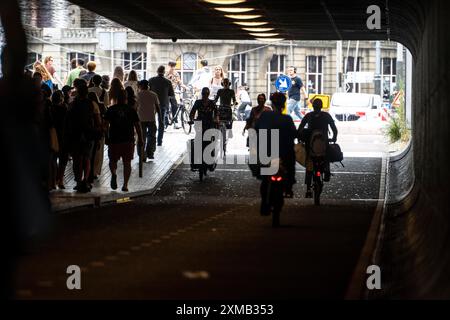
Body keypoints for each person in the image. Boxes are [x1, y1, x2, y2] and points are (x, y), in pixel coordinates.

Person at [255, 92, 297, 205]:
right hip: (283, 154)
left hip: (267, 153)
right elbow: (294, 133)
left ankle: (264, 202)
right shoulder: (287, 119)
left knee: (264, 177)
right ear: (283, 105)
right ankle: (289, 186)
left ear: (272, 104)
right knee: (291, 161)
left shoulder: (264, 115)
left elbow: (256, 128)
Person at [104, 88, 143, 192]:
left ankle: (113, 173)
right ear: (126, 98)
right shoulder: (131, 110)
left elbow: (105, 125)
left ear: (117, 97)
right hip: (128, 139)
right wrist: (140, 139)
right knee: (127, 162)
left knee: (112, 160)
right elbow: (137, 126)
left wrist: (106, 137)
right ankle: (125, 185)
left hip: (114, 139)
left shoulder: (111, 109)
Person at [297, 98, 338, 198]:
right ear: (321, 106)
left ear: (313, 106)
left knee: (309, 163)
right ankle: (327, 171)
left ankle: (308, 189)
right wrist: (334, 138)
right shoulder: (326, 115)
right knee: (326, 155)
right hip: (324, 141)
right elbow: (334, 129)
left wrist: (299, 138)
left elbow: (300, 128)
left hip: (310, 143)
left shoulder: (309, 115)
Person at [65, 79, 96, 193]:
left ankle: (78, 181)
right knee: (86, 158)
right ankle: (86, 180)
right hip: (87, 134)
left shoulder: (72, 104)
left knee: (77, 159)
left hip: (75, 134)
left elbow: (68, 120)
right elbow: (94, 119)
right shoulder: (90, 104)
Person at [149, 65, 175, 146]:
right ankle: (159, 141)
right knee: (161, 123)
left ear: (157, 71)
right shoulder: (168, 82)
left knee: (151, 122)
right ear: (164, 72)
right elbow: (171, 94)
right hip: (163, 104)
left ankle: (151, 139)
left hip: (152, 104)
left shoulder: (151, 80)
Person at [136, 80, 161, 161]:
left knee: (141, 137)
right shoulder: (153, 94)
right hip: (151, 118)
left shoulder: (137, 95)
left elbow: (135, 107)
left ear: (140, 86)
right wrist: (160, 118)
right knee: (152, 137)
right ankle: (150, 153)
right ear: (148, 86)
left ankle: (142, 155)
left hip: (140, 118)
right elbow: (158, 107)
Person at [50, 90, 69, 189]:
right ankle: (60, 180)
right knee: (63, 160)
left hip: (52, 137)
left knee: (53, 160)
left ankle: (53, 181)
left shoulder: (50, 109)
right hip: (63, 137)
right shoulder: (65, 109)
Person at [214, 78, 236, 152]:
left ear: (229, 83)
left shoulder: (231, 91)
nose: (225, 83)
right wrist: (213, 102)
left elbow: (234, 99)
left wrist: (235, 102)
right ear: (222, 83)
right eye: (224, 82)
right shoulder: (220, 91)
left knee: (230, 121)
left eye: (227, 82)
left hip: (228, 108)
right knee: (217, 121)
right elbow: (216, 99)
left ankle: (229, 131)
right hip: (221, 108)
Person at [165, 61, 184, 129]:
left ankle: (175, 123)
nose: (172, 67)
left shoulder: (176, 73)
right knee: (166, 108)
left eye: (173, 66)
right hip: (166, 93)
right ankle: (165, 124)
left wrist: (184, 86)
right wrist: (168, 77)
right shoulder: (165, 73)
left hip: (173, 92)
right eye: (171, 66)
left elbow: (179, 81)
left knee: (175, 106)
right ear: (169, 65)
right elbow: (163, 82)